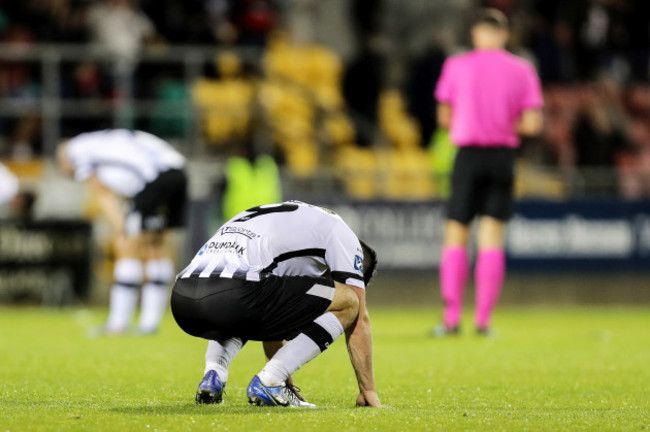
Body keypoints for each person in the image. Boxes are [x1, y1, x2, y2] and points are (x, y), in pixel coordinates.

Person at [171, 201, 382, 408]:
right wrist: (368, 390)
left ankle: (214, 373)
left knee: (249, 296)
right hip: (234, 296)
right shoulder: (345, 237)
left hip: (181, 300)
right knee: (349, 301)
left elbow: (273, 315)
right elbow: (360, 318)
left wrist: (285, 383)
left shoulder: (295, 224)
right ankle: (269, 383)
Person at [433, 9, 544, 335]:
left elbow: (443, 118)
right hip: (502, 156)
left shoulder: (456, 65)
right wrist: (503, 121)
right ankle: (483, 321)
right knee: (492, 237)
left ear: (476, 34)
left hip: (467, 155)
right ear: (504, 34)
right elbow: (533, 123)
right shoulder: (522, 68)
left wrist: (472, 117)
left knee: (456, 234)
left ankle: (451, 318)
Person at [57, 129, 188, 335]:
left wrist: (121, 226)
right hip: (178, 173)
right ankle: (149, 324)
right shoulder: (105, 140)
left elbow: (101, 193)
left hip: (155, 178)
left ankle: (118, 323)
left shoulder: (76, 149)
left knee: (125, 244)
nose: (64, 170)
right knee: (156, 246)